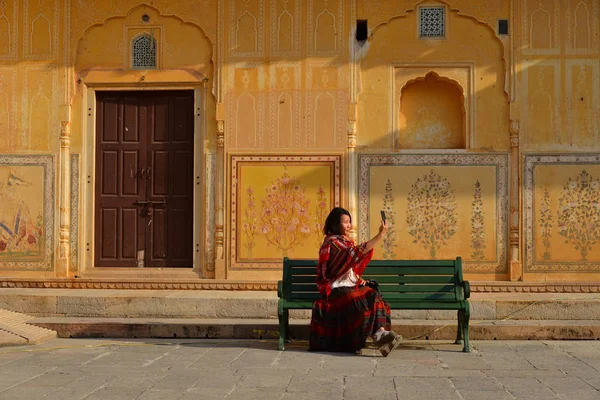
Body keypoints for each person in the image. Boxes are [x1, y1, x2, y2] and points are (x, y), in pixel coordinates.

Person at [309, 207, 402, 356]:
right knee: (359, 302)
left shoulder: (345, 242)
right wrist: (380, 235)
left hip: (349, 287)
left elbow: (348, 266)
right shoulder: (332, 243)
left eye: (349, 222)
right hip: (335, 290)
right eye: (345, 222)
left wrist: (358, 279)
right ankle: (376, 338)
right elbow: (352, 255)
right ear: (335, 224)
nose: (349, 225)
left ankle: (381, 334)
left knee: (373, 295)